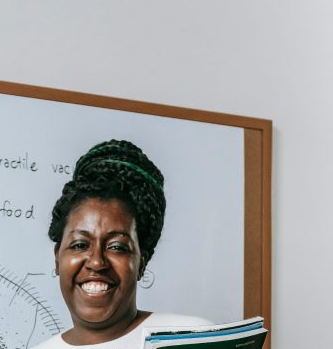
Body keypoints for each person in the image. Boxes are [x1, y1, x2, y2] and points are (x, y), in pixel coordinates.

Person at [33, 140, 211, 349]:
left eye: (117, 247)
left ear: (141, 263)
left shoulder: (192, 338)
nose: (97, 262)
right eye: (80, 245)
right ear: (57, 258)